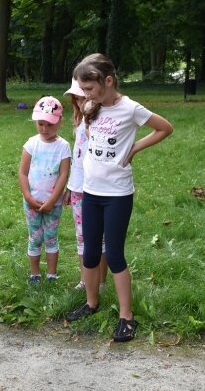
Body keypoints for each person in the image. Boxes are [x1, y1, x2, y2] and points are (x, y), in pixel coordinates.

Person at [66, 53, 173, 343]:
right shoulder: (94, 108)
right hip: (90, 192)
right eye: (83, 89)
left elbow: (165, 128)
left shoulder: (130, 109)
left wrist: (135, 147)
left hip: (117, 195)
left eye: (89, 88)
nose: (85, 95)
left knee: (113, 255)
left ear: (108, 81)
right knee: (90, 253)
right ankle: (91, 303)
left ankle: (127, 317)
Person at [18, 96, 71, 284]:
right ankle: (34, 273)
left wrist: (52, 201)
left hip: (53, 204)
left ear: (59, 122)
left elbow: (63, 175)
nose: (44, 129)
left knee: (50, 237)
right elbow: (23, 173)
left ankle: (51, 274)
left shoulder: (63, 146)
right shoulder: (31, 144)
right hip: (31, 202)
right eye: (41, 124)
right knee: (35, 236)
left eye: (50, 125)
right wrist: (28, 197)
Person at [62, 78, 108, 291]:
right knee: (82, 237)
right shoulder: (80, 121)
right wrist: (70, 187)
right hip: (79, 189)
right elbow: (77, 158)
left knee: (102, 238)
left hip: (99, 187)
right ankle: (85, 279)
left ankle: (101, 281)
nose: (81, 102)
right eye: (77, 98)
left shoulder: (101, 121)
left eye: (85, 96)